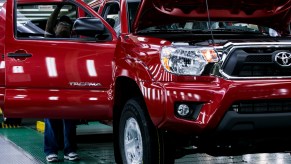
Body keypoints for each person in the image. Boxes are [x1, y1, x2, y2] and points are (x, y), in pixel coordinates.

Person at [44, 5, 79, 162]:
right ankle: (51, 151)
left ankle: (69, 150)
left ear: (71, 30)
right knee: (51, 119)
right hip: (51, 84)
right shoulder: (49, 38)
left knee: (70, 119)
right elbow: (49, 23)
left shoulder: (74, 42)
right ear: (55, 27)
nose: (64, 25)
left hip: (69, 85)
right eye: (61, 24)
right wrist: (59, 6)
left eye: (67, 24)